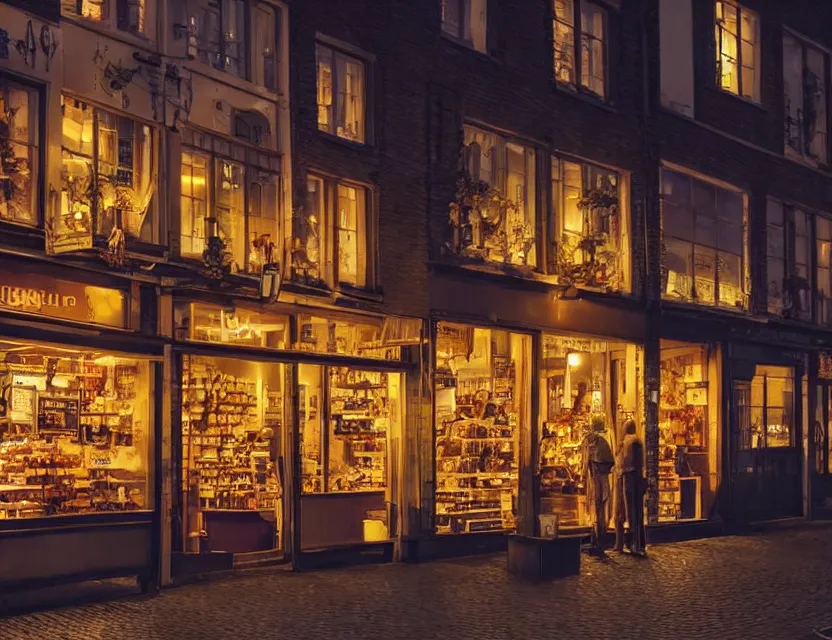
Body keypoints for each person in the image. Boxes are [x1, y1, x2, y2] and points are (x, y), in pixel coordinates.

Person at [613, 420, 646, 556]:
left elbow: (625, 460)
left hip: (628, 478)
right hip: (637, 477)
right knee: (637, 512)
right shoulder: (638, 441)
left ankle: (632, 543)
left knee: (629, 511)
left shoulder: (626, 441)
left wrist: (621, 471)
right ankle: (638, 543)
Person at [582, 418, 614, 554]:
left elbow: (588, 462)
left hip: (596, 480)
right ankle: (598, 539)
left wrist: (584, 472)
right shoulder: (604, 440)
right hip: (600, 479)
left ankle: (598, 540)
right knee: (601, 508)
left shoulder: (592, 441)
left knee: (597, 508)